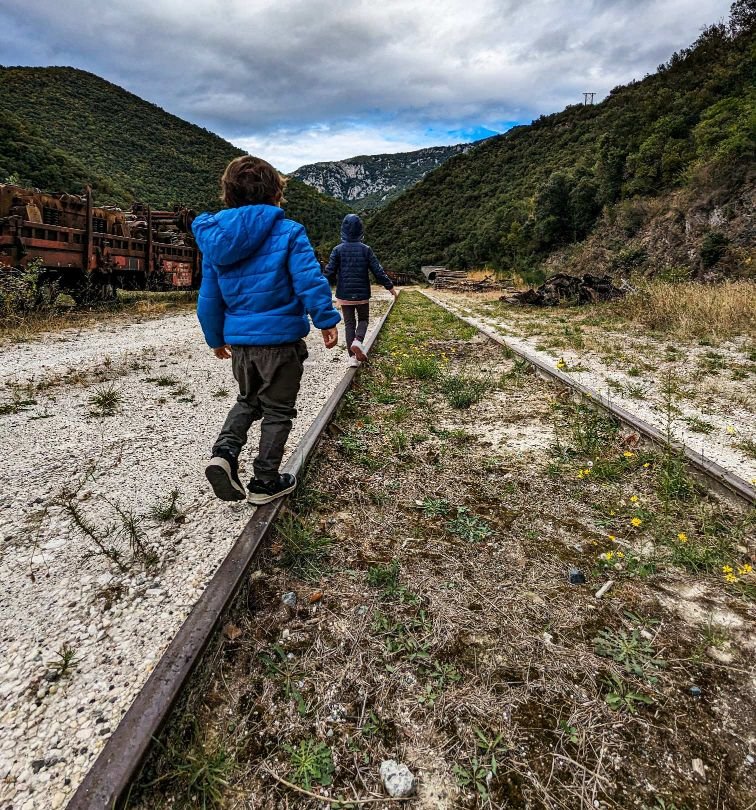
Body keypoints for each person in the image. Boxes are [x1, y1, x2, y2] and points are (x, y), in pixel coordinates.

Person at [193, 155, 340, 504]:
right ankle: (264, 482)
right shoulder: (289, 231)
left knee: (248, 400)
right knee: (277, 411)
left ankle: (224, 453)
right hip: (281, 342)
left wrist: (215, 337)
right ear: (276, 192)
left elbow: (209, 296)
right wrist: (325, 319)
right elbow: (309, 280)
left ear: (228, 193)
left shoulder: (215, 240)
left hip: (241, 345)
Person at [324, 214, 398, 367]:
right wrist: (390, 287)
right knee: (363, 319)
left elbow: (329, 273)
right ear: (360, 230)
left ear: (343, 230)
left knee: (349, 324)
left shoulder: (337, 250)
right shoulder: (366, 250)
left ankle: (352, 358)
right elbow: (378, 271)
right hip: (362, 294)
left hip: (344, 294)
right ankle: (358, 341)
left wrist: (318, 289)